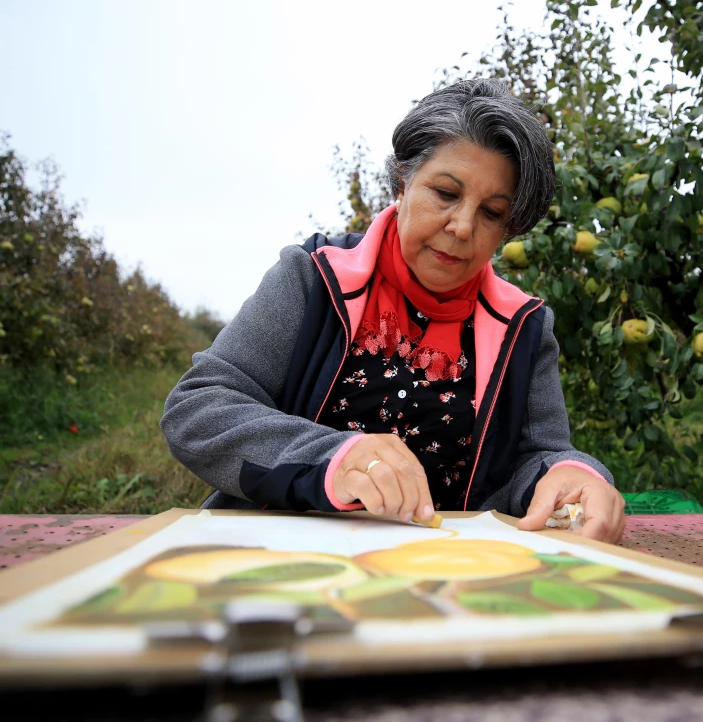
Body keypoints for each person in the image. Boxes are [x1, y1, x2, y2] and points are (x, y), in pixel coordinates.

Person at [161, 79, 626, 543]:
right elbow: (198, 408)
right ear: (403, 183)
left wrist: (573, 476)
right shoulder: (314, 279)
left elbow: (539, 455)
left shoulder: (524, 328)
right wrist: (335, 458)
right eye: (445, 193)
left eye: (491, 213)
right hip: (278, 560)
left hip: (445, 575)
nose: (463, 226)